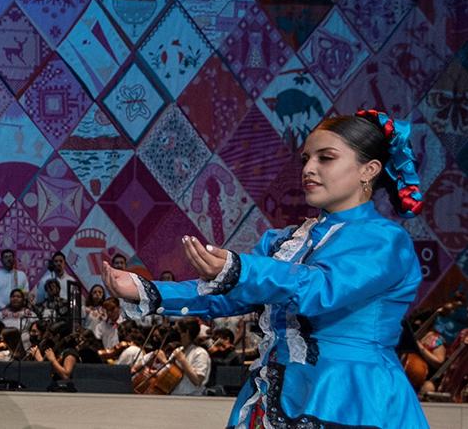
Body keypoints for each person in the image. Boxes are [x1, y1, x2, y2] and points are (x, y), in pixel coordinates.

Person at [102, 111, 429, 427]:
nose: (309, 169)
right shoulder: (285, 241)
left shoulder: (385, 241)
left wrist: (239, 269)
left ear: (368, 170)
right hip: (279, 388)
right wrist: (149, 291)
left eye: (325, 158)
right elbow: (227, 299)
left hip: (352, 395)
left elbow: (321, 290)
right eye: (305, 159)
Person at [0, 249, 27, 318]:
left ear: (14, 259)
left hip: (18, 313)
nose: (8, 259)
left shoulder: (21, 275)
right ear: (1, 260)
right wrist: (5, 307)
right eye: (6, 257)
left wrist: (15, 307)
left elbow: (25, 293)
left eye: (10, 256)